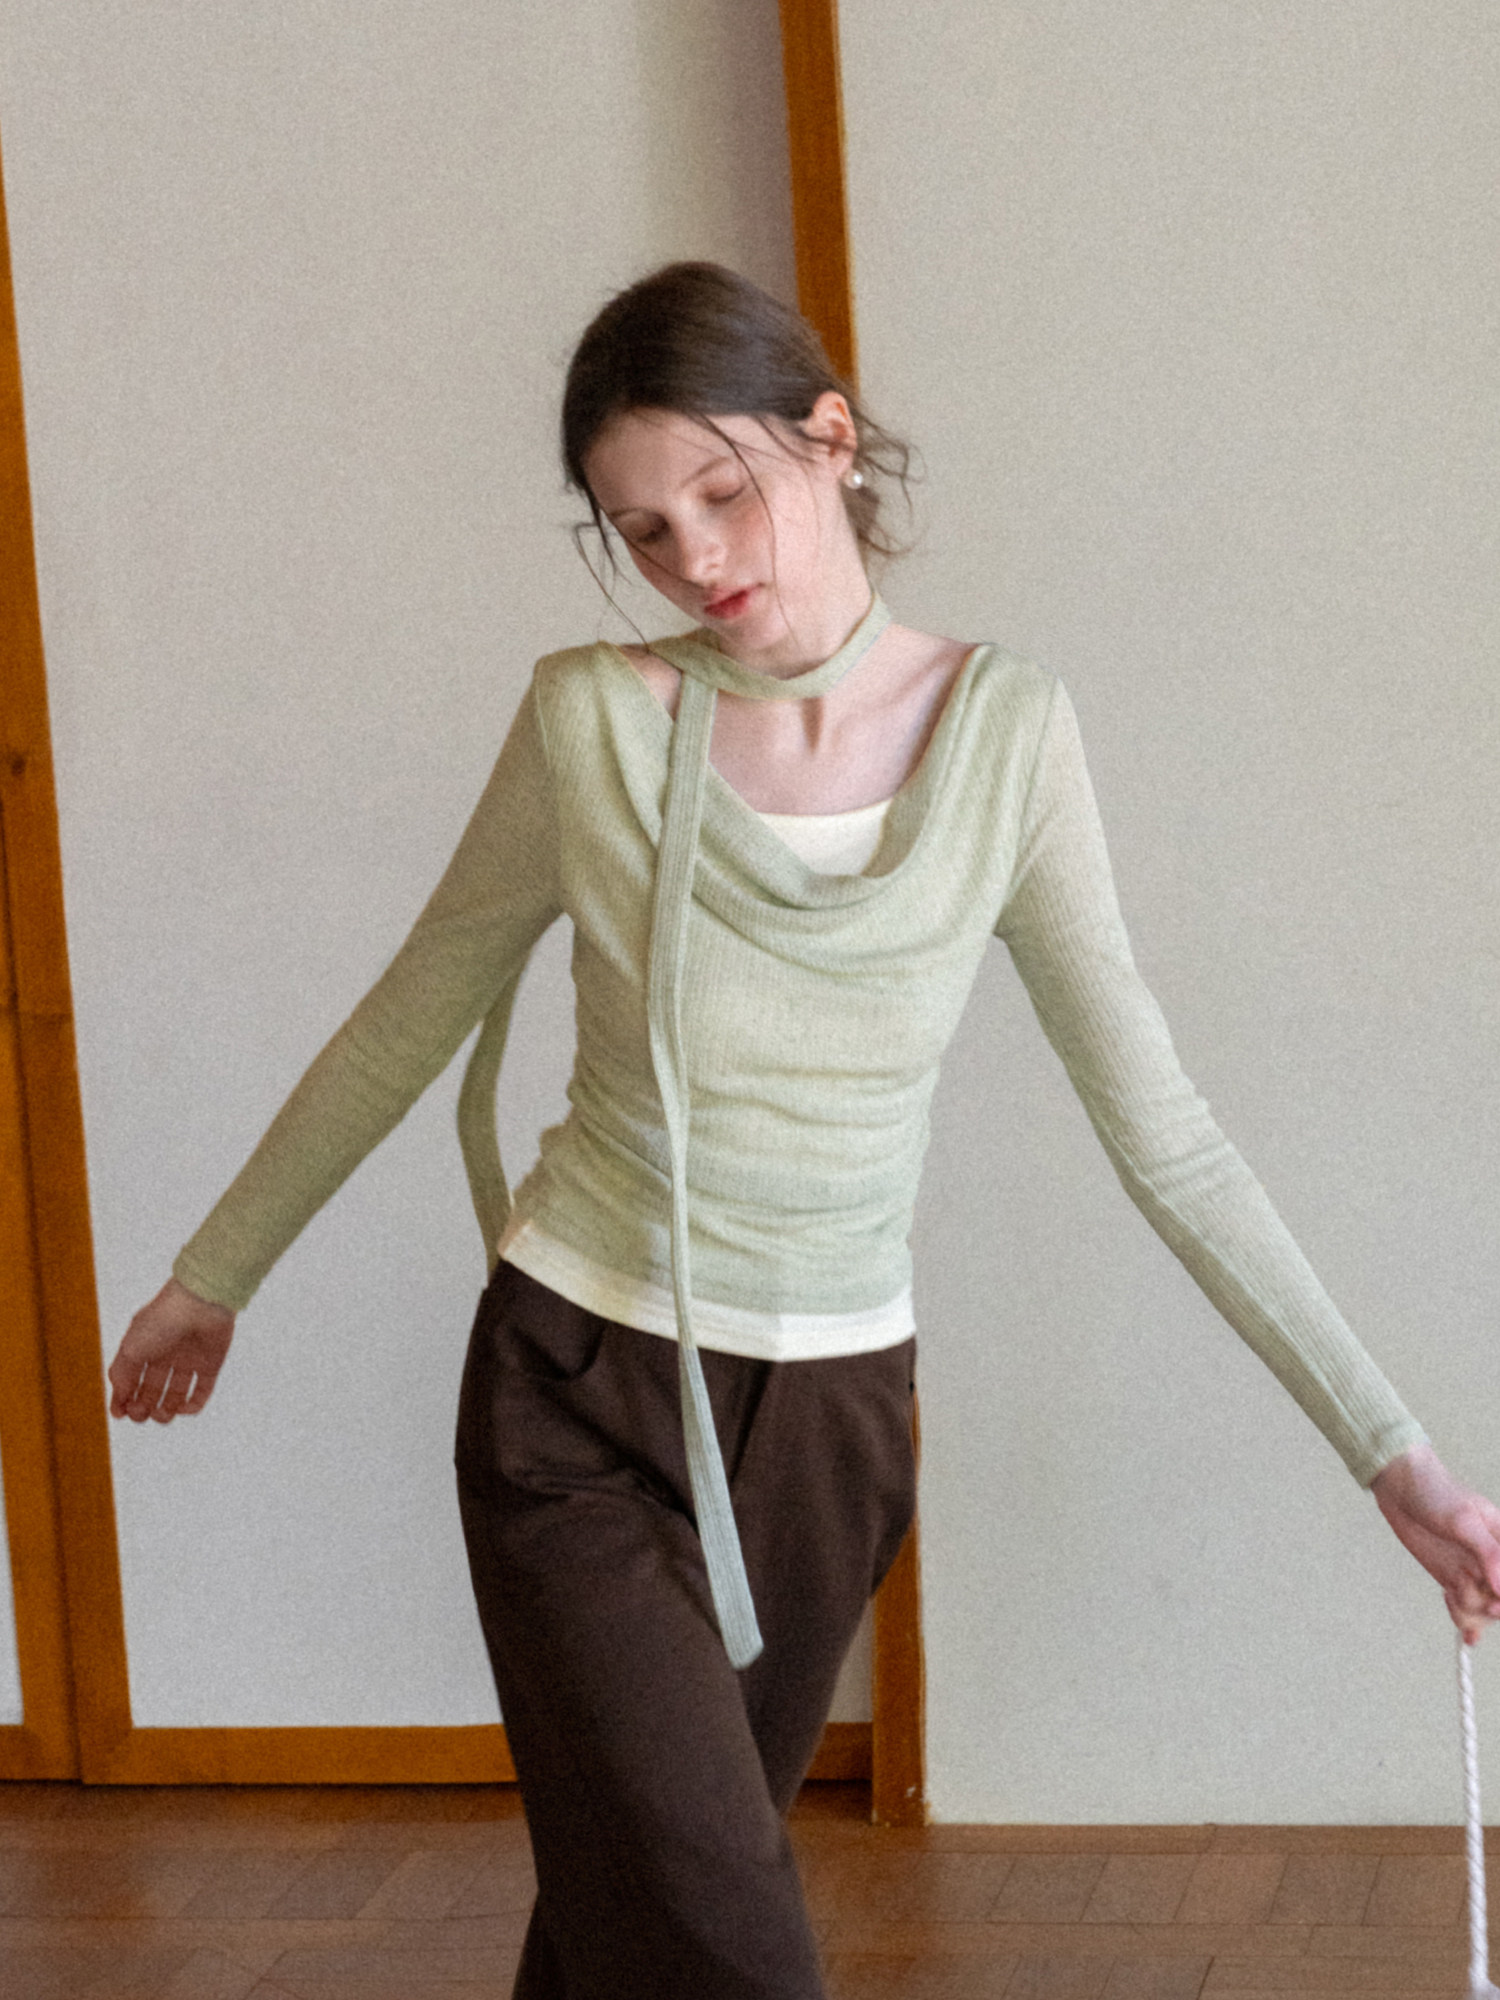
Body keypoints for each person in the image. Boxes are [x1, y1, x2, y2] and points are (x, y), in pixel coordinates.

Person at [109, 261, 1500, 2000]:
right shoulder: (592, 720)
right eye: (642, 530)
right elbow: (412, 1012)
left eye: (722, 492)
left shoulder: (1006, 736)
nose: (694, 558)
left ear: (830, 438)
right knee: (720, 1935)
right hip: (579, 1392)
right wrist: (214, 1276)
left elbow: (1168, 1133)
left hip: (829, 1431)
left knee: (632, 1926)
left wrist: (1394, 1456)